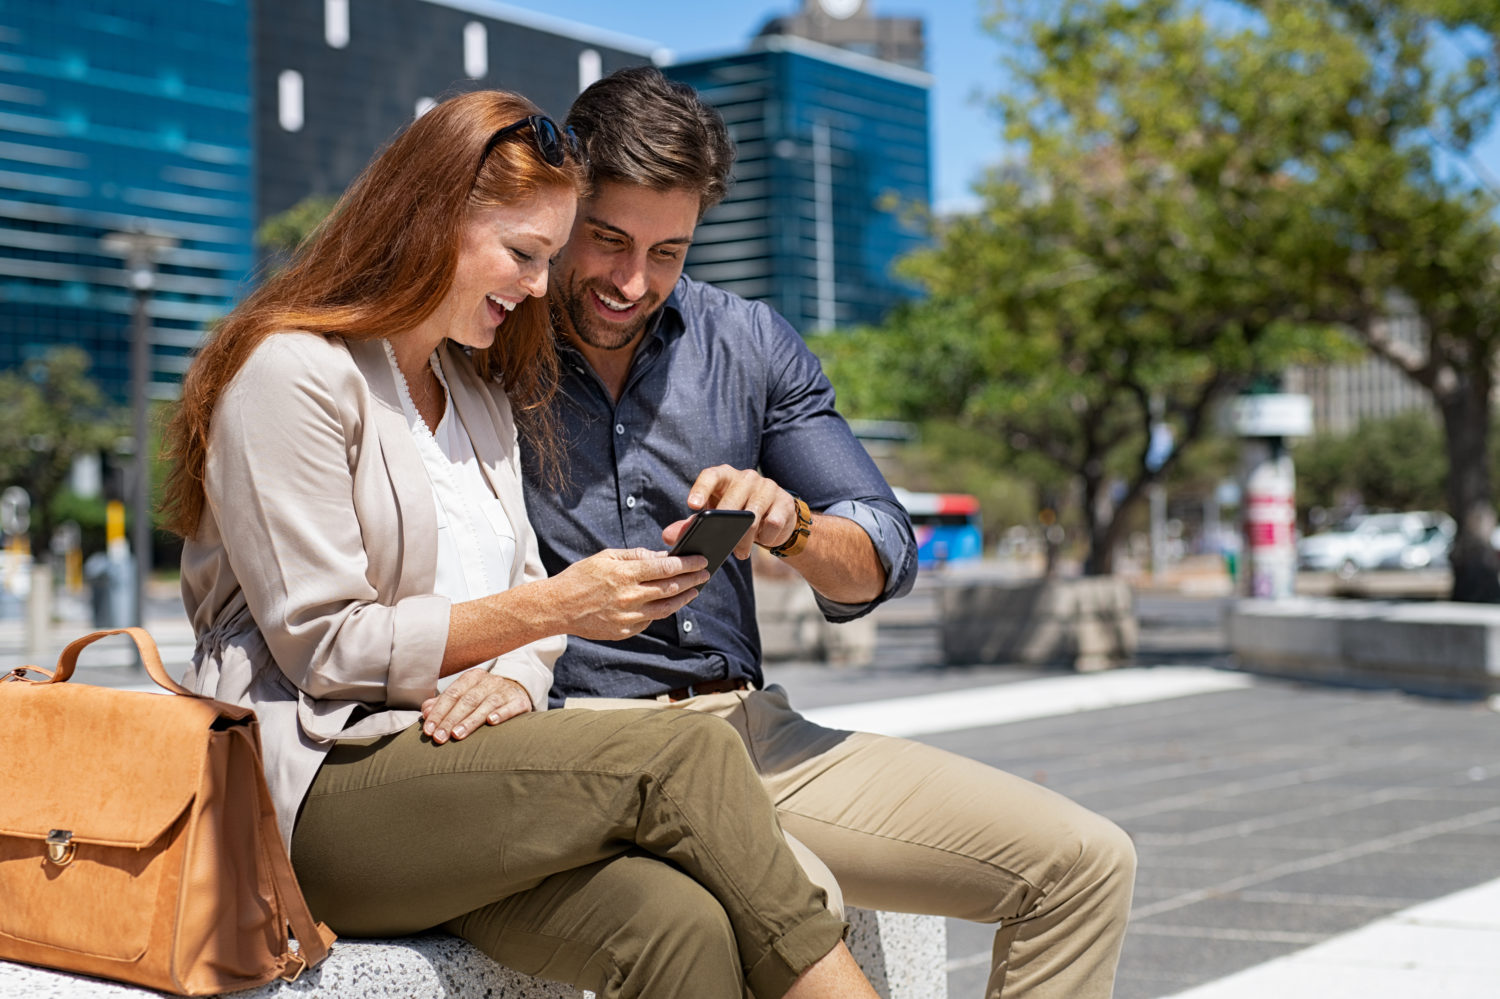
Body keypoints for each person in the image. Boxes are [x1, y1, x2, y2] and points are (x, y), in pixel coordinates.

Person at [161, 88, 881, 999]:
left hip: (454, 776)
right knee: (686, 756)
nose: (541, 285)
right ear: (428, 222)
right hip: (317, 790)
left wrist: (518, 672)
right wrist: (554, 609)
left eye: (548, 256)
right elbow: (328, 646)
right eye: (522, 253)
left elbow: (526, 604)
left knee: (677, 926)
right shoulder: (294, 373)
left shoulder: (477, 393)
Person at [523, 66, 1139, 999]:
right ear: (564, 204)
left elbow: (881, 553)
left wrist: (791, 522)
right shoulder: (486, 335)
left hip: (749, 734)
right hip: (582, 746)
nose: (630, 280)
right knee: (796, 907)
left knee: (1086, 863)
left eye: (667, 252)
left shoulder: (749, 343)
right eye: (607, 241)